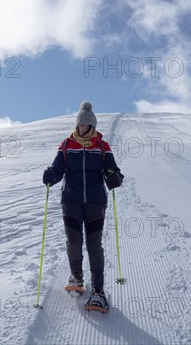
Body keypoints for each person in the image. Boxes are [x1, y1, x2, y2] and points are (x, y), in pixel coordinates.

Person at [42, 101, 123, 313]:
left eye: (86, 125)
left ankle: (98, 291)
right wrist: (51, 174)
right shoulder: (67, 144)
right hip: (71, 200)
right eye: (80, 125)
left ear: (93, 126)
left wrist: (115, 177)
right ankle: (76, 277)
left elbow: (112, 170)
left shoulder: (102, 146)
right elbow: (58, 168)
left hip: (96, 202)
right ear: (77, 125)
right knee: (74, 241)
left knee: (94, 244)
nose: (83, 128)